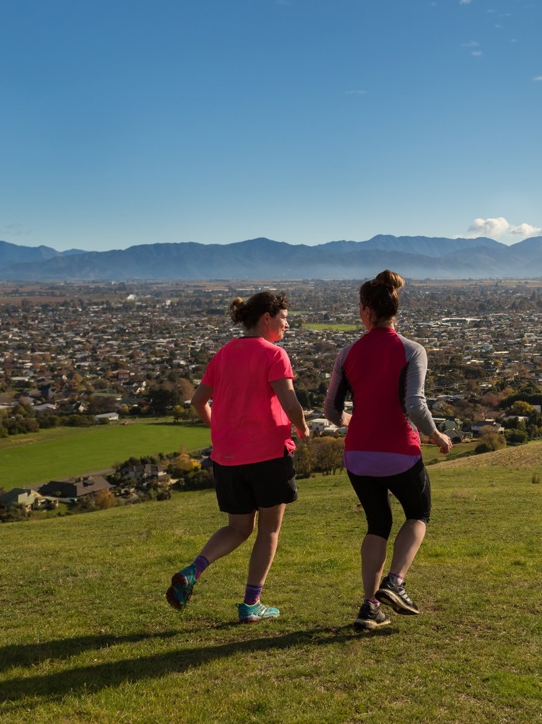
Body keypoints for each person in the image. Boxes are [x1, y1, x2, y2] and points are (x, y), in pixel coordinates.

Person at [166, 290, 309, 624]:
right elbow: (289, 402)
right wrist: (302, 427)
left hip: (228, 459)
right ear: (266, 319)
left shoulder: (224, 353)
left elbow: (198, 402)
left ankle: (193, 570)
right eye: (284, 318)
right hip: (268, 456)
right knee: (269, 529)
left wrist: (220, 431)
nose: (287, 325)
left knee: (238, 527)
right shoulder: (275, 354)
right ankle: (251, 604)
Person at [325, 270, 452, 631]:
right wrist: (436, 435)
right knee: (418, 513)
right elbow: (414, 404)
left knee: (377, 524)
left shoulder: (347, 353)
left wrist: (355, 420)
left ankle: (369, 607)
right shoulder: (412, 350)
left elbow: (331, 412)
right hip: (399, 450)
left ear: (366, 312)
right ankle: (395, 582)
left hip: (358, 456)